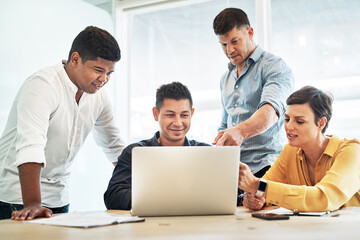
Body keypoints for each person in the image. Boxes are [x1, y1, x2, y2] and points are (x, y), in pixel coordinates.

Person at [0, 26, 125, 220]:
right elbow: (31, 145)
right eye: (99, 70)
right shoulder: (42, 85)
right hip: (15, 198)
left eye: (110, 73)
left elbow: (115, 147)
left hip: (59, 199)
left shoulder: (99, 97)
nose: (104, 79)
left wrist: (140, 191)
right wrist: (33, 204)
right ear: (75, 59)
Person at [238, 86, 360, 212]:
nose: (289, 127)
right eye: (287, 119)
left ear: (321, 123)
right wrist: (258, 199)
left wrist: (257, 186)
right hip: (313, 229)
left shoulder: (352, 151)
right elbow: (264, 190)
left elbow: (324, 199)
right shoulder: (290, 152)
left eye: (299, 121)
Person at [212, 8, 294, 183]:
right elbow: (225, 124)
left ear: (249, 32)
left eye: (235, 41)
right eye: (223, 45)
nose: (229, 50)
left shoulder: (275, 67)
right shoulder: (225, 78)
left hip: (266, 168)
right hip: (233, 169)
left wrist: (239, 132)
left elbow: (270, 113)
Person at [104, 82, 210, 210]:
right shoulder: (135, 152)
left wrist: (241, 196)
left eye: (184, 115)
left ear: (191, 114)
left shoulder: (206, 153)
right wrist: (159, 199)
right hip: (150, 226)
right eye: (170, 115)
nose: (178, 122)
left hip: (198, 225)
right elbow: (113, 196)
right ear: (156, 114)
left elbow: (231, 194)